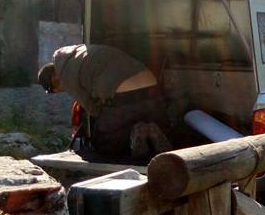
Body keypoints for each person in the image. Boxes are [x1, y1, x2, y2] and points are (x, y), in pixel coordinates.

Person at [38, 43, 172, 160]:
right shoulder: (78, 52)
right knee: (144, 116)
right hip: (152, 88)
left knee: (103, 139)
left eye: (53, 90)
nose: (60, 91)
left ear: (53, 79)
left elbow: (92, 108)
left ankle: (138, 132)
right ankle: (153, 131)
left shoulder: (65, 74)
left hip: (124, 95)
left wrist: (100, 120)